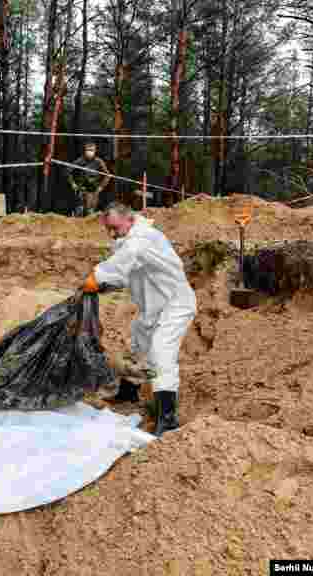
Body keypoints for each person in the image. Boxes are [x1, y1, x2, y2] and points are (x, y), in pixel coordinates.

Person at [81, 202, 195, 436]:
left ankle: (167, 418)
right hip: (151, 309)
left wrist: (98, 276)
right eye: (108, 230)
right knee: (138, 347)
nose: (112, 234)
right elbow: (126, 273)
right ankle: (129, 392)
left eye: (115, 228)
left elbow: (128, 258)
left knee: (161, 353)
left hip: (175, 305)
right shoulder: (127, 241)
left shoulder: (144, 239)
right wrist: (103, 286)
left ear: (130, 220)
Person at [67, 141, 112, 217]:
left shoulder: (98, 161)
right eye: (88, 150)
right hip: (81, 189)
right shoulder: (80, 160)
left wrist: (101, 186)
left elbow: (108, 175)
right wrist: (73, 184)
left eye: (91, 150)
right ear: (84, 151)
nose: (89, 152)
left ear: (95, 151)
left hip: (93, 190)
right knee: (79, 210)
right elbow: (68, 171)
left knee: (90, 211)